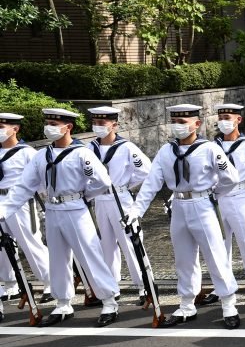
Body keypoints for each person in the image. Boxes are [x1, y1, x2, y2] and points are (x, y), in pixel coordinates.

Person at [0, 108, 120, 326]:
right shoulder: (41, 156)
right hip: (53, 210)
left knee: (89, 255)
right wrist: (4, 211)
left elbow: (102, 182)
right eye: (47, 123)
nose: (49, 128)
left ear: (68, 127)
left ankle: (109, 301)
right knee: (58, 258)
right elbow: (23, 187)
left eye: (54, 125)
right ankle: (63, 302)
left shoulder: (82, 153)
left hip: (76, 209)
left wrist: (83, 196)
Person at [128, 104, 242, 329]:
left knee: (215, 256)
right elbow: (151, 183)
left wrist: (214, 193)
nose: (177, 126)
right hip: (178, 205)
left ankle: (229, 304)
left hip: (202, 205)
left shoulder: (209, 149)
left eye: (183, 122)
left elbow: (231, 178)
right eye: (175, 122)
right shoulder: (166, 151)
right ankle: (187, 304)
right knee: (183, 258)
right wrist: (135, 212)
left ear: (196, 124)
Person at [197, 103, 245, 306]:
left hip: (239, 196)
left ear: (238, 120)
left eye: (227, 117)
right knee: (219, 244)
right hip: (216, 198)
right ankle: (222, 285)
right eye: (221, 117)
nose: (223, 121)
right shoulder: (212, 146)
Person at [87, 106, 152, 307]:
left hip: (120, 199)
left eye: (102, 123)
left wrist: (124, 185)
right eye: (95, 123)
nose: (98, 126)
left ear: (114, 125)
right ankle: (111, 287)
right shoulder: (90, 148)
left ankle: (144, 286)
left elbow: (145, 171)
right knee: (106, 245)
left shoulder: (126, 148)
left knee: (130, 243)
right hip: (100, 200)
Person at [0, 113, 51, 315]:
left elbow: (40, 179)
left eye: (2, 126)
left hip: (20, 202)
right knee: (2, 247)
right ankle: (10, 283)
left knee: (30, 242)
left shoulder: (27, 152)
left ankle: (49, 281)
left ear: (15, 129)